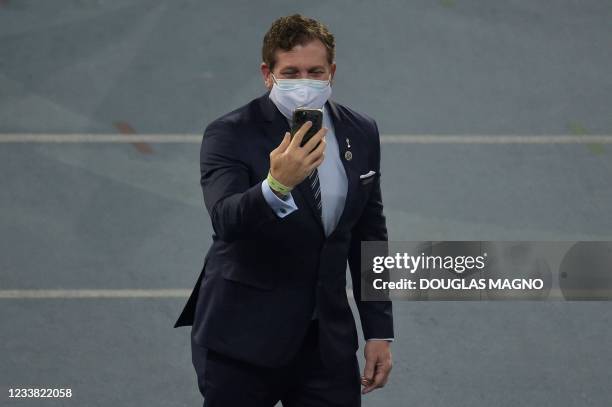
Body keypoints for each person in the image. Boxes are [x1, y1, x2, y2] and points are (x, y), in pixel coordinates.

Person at [174, 14, 394, 407]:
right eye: (291, 72)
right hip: (241, 343)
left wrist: (378, 331)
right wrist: (276, 185)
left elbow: (369, 236)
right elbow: (226, 221)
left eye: (315, 71)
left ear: (332, 73)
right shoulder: (229, 133)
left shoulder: (361, 131)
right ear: (267, 74)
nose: (304, 82)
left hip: (326, 346)